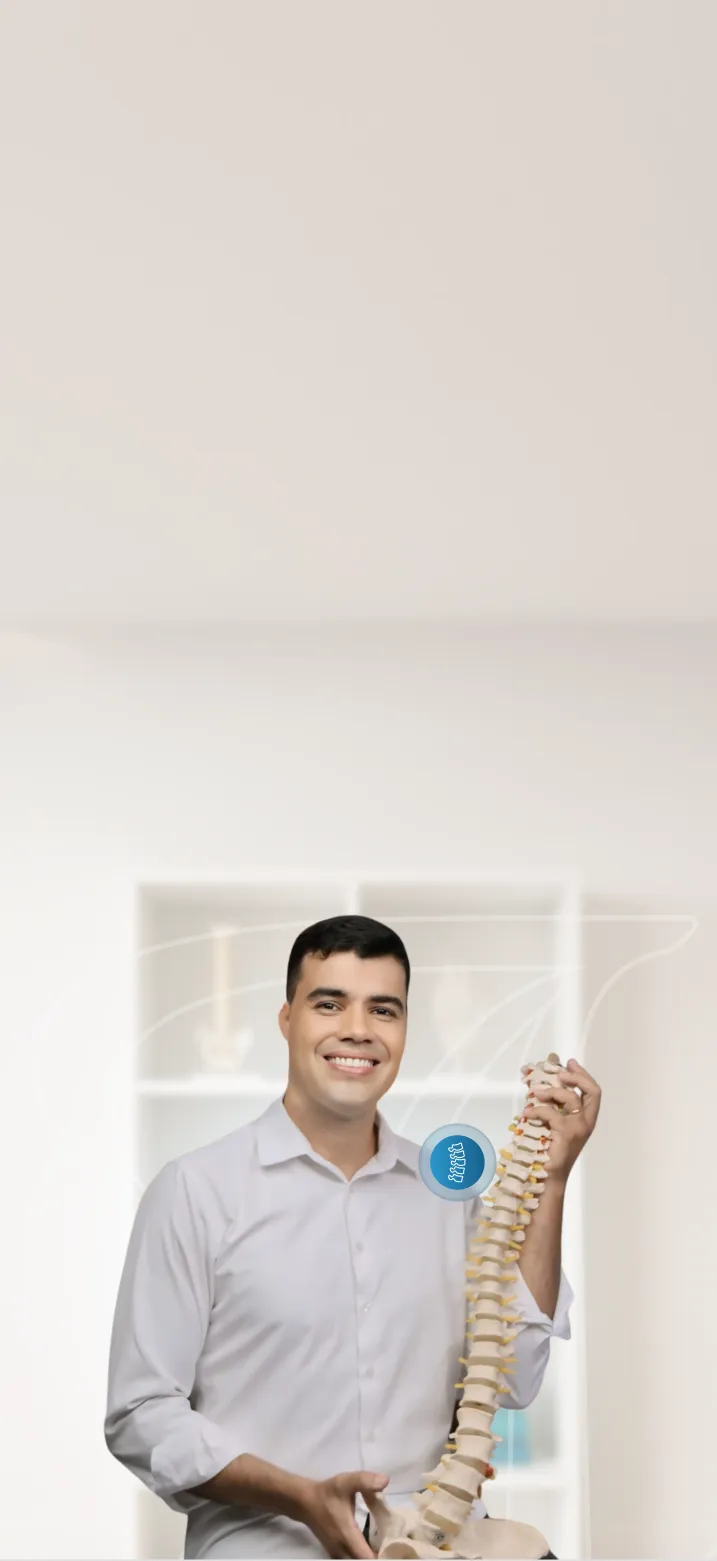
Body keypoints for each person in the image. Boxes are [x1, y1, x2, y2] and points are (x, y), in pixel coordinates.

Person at [105, 915, 600, 1559]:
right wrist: (297, 1495)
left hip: (435, 1542)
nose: (358, 1029)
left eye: (383, 1009)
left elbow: (515, 1379)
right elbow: (140, 1412)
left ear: (404, 1029)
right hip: (265, 1544)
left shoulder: (447, 1192)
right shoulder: (196, 1190)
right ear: (287, 1019)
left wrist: (552, 1179)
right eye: (329, 1004)